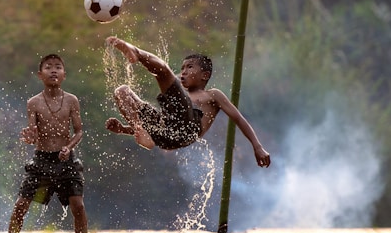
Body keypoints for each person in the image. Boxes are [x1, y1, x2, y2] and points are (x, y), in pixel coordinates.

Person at [105, 36, 271, 168]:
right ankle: (140, 130)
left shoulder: (212, 95)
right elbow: (161, 123)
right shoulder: (180, 96)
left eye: (190, 67)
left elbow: (239, 119)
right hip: (165, 134)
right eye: (182, 68)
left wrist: (257, 146)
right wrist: (123, 130)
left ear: (204, 75)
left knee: (163, 71)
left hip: (188, 129)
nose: (183, 72)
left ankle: (136, 52)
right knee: (122, 92)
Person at [8, 54, 89, 233]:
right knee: (21, 205)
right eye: (48, 67)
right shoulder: (33, 102)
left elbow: (79, 132)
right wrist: (30, 137)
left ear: (64, 75)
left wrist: (68, 147)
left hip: (66, 159)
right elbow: (33, 131)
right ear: (40, 75)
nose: (54, 70)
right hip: (41, 160)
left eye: (58, 67)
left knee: (78, 205)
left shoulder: (71, 100)